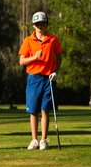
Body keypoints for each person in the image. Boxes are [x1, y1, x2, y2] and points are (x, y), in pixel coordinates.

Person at [18, 11, 63, 150]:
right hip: (34, 78)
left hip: (48, 78)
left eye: (42, 24)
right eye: (37, 24)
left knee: (45, 109)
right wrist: (34, 58)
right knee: (33, 110)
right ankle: (34, 140)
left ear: (46, 24)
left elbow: (59, 57)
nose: (40, 26)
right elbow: (22, 61)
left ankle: (43, 140)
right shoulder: (28, 40)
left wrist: (56, 71)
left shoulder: (53, 39)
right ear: (33, 25)